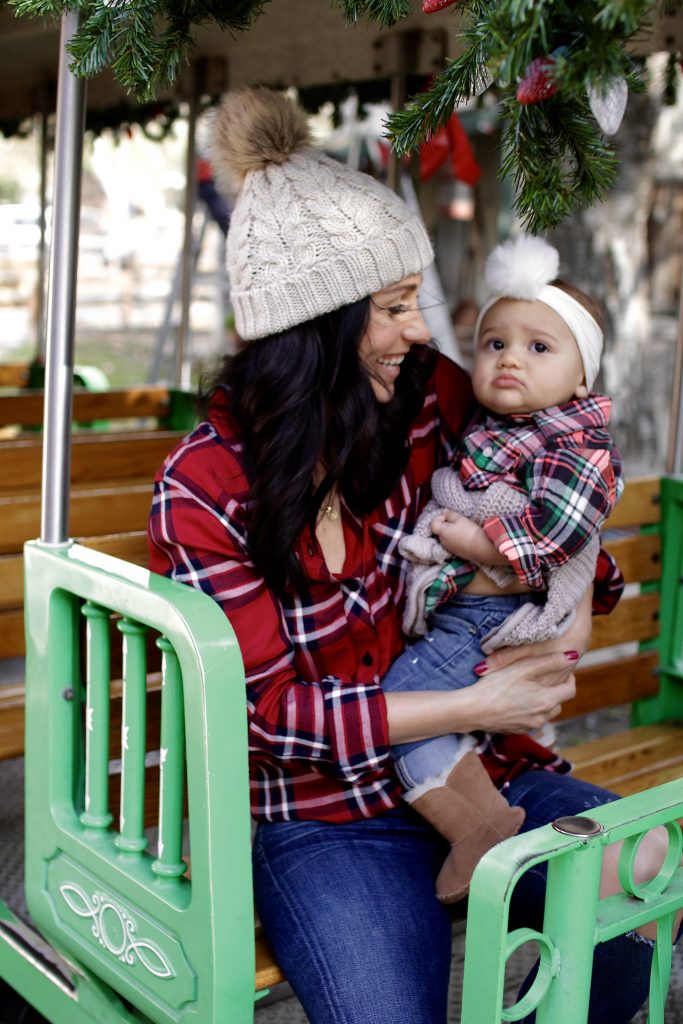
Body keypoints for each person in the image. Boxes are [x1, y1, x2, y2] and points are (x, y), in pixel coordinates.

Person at [148, 87, 676, 1024]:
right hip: (321, 816)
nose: (422, 330)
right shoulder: (206, 486)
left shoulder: (426, 401)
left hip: (478, 771)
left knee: (646, 884)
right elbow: (264, 716)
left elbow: (557, 485)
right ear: (317, 329)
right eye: (394, 307)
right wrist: (475, 696)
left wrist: (558, 595)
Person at [381, 234, 624, 903]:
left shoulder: (574, 443)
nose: (510, 358)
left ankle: (478, 829)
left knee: (406, 710)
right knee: (419, 710)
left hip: (491, 615)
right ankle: (478, 819)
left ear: (581, 377)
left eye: (538, 347)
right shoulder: (500, 428)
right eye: (494, 344)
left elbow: (557, 538)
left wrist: (476, 544)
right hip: (477, 613)